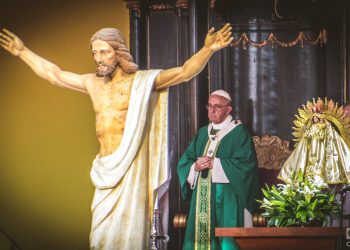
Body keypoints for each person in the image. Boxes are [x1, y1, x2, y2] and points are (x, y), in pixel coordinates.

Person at [0, 24, 233, 250]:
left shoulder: (141, 83)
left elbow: (184, 72)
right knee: (100, 239)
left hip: (131, 173)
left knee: (131, 240)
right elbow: (54, 75)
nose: (98, 58)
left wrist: (208, 49)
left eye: (104, 52)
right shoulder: (93, 84)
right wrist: (22, 51)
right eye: (94, 53)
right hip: (105, 173)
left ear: (118, 53)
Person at [177, 90, 260, 250]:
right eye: (209, 106)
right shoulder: (202, 133)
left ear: (228, 109)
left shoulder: (239, 132)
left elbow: (246, 166)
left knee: (226, 242)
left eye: (217, 106)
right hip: (201, 196)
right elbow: (185, 161)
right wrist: (195, 166)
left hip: (228, 198)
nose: (212, 110)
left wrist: (216, 163)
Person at [278, 104, 350, 185]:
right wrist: (307, 132)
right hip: (314, 150)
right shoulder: (314, 128)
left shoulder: (326, 128)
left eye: (316, 118)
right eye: (314, 119)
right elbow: (309, 135)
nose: (315, 120)